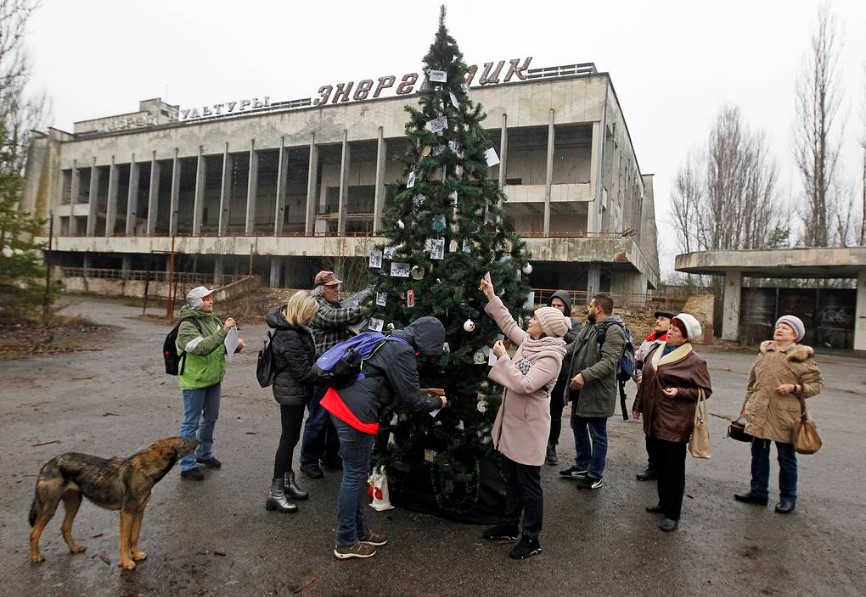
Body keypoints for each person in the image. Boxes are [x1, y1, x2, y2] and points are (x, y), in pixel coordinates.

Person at [320, 316, 447, 560]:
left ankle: (359, 531)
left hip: (345, 402)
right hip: (354, 412)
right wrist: (438, 402)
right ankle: (345, 541)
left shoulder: (393, 339)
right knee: (354, 475)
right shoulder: (403, 351)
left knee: (358, 472)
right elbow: (412, 400)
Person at [480, 278, 568, 560]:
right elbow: (507, 324)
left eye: (536, 319)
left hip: (529, 429)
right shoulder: (531, 342)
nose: (531, 320)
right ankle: (508, 526)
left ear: (547, 329)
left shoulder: (551, 356)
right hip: (512, 424)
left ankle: (531, 538)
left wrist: (503, 357)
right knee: (512, 480)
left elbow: (526, 385)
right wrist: (492, 296)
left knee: (529, 485)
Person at [734, 315, 823, 515]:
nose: (780, 329)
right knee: (758, 455)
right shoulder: (765, 352)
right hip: (760, 412)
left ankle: (788, 498)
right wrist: (745, 406)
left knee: (786, 458)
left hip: (785, 417)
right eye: (778, 326)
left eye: (786, 328)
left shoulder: (801, 356)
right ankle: (758, 492)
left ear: (795, 336)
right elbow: (752, 383)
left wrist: (795, 387)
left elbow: (817, 385)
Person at [632, 313, 712, 532]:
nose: (670, 331)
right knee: (658, 463)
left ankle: (672, 513)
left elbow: (705, 390)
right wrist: (638, 406)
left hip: (675, 421)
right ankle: (662, 502)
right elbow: (647, 381)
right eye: (671, 328)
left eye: (676, 329)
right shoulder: (657, 350)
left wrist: (679, 391)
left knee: (673, 468)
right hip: (653, 417)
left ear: (686, 337)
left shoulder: (694, 361)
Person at [299, 270, 367, 479]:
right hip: (323, 371)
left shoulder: (335, 303)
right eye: (332, 287)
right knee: (318, 419)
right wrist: (365, 309)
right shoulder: (316, 306)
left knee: (336, 416)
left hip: (339, 369)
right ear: (321, 290)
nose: (337, 289)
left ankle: (330, 455)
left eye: (337, 285)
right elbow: (335, 318)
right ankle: (308, 460)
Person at [176, 286, 244, 481]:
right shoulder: (187, 325)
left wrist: (235, 346)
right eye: (206, 298)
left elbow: (218, 346)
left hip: (213, 378)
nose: (211, 301)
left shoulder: (212, 319)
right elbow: (202, 348)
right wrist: (223, 331)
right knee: (191, 422)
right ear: (197, 302)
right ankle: (187, 465)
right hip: (195, 380)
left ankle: (204, 454)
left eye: (211, 297)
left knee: (211, 418)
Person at [559, 293, 625, 491]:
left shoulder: (614, 330)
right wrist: (556, 351)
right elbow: (574, 345)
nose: (587, 309)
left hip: (597, 392)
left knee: (598, 434)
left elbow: (609, 362)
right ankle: (582, 465)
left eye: (589, 306)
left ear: (598, 309)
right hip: (580, 389)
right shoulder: (589, 325)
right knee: (577, 426)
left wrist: (584, 376)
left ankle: (595, 474)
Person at [264, 290, 320, 513]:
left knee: (292, 437)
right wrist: (327, 370)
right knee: (287, 440)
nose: (312, 319)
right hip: (291, 392)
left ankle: (287, 481)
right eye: (310, 314)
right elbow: (303, 372)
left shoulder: (294, 329)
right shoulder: (289, 335)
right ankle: (275, 492)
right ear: (301, 312)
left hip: (294, 391)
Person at [632, 310, 674, 481]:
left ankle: (661, 467)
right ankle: (653, 466)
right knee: (649, 432)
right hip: (646, 393)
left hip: (661, 396)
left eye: (662, 319)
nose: (658, 322)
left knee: (660, 433)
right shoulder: (649, 340)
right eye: (657, 319)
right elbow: (636, 361)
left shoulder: (670, 344)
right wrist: (637, 373)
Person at [544, 290, 581, 466]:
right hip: (543, 371)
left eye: (559, 305)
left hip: (562, 374)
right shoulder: (542, 321)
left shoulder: (574, 323)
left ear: (566, 307)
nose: (556, 308)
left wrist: (560, 326)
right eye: (553, 305)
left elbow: (577, 341)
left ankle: (552, 445)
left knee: (554, 412)